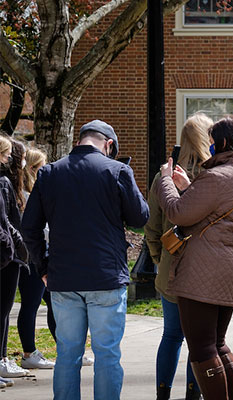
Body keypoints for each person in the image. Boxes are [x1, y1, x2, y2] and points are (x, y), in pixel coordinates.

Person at [21, 120, 150, 400]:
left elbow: (29, 228)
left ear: (79, 141)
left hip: (63, 277)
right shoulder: (117, 171)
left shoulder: (49, 173)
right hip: (106, 276)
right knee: (107, 355)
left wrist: (43, 267)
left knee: (68, 353)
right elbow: (139, 217)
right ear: (109, 144)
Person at [157, 116, 233, 400]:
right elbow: (213, 211)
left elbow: (178, 213)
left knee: (202, 349)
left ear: (224, 142)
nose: (211, 147)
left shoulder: (217, 175)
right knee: (218, 344)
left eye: (214, 142)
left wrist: (166, 182)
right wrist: (190, 186)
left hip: (203, 272)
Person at [144, 113, 213, 400]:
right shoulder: (212, 174)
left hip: (170, 266)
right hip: (205, 268)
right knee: (198, 340)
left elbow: (151, 223)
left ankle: (163, 395)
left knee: (171, 336)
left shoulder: (165, 175)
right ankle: (192, 395)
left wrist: (158, 257)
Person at [16, 147, 56, 370]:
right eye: (41, 166)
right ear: (33, 169)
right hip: (32, 258)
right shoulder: (25, 196)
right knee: (30, 305)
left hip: (38, 256)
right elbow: (36, 229)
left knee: (52, 304)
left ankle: (68, 351)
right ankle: (29, 353)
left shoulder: (30, 194)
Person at [0, 138, 31, 379]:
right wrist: (17, 245)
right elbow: (6, 221)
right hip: (6, 256)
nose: (11, 160)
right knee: (3, 309)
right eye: (8, 154)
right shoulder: (3, 183)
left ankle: (2, 358)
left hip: (9, 253)